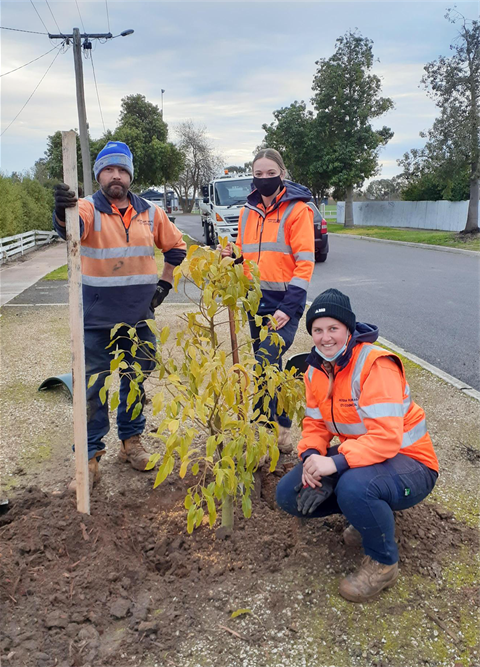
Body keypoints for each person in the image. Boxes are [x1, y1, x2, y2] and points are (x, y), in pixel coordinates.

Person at [276, 288, 439, 602]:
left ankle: (383, 563)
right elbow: (314, 425)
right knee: (288, 494)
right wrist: (312, 459)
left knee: (353, 487)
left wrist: (335, 467)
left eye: (333, 328)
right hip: (367, 458)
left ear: (348, 330)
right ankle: (370, 517)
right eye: (317, 330)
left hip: (412, 463)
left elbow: (387, 438)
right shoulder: (315, 370)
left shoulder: (376, 365)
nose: (325, 338)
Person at [53, 141, 186, 491]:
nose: (116, 176)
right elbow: (70, 229)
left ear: (130, 176)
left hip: (139, 319)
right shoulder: (86, 208)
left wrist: (165, 283)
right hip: (96, 320)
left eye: (122, 170)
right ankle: (90, 456)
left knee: (136, 382)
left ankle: (131, 443)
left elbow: (176, 247)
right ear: (99, 175)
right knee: (93, 387)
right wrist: (61, 211)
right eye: (109, 170)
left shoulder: (151, 213)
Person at [219, 148, 315, 453]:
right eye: (258, 174)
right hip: (254, 300)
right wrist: (231, 256)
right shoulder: (248, 211)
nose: (264, 179)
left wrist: (289, 308)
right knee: (269, 364)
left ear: (282, 175)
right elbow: (243, 251)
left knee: (264, 362)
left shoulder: (297, 211)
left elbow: (305, 263)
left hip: (284, 300)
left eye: (270, 174)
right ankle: (275, 430)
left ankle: (274, 428)